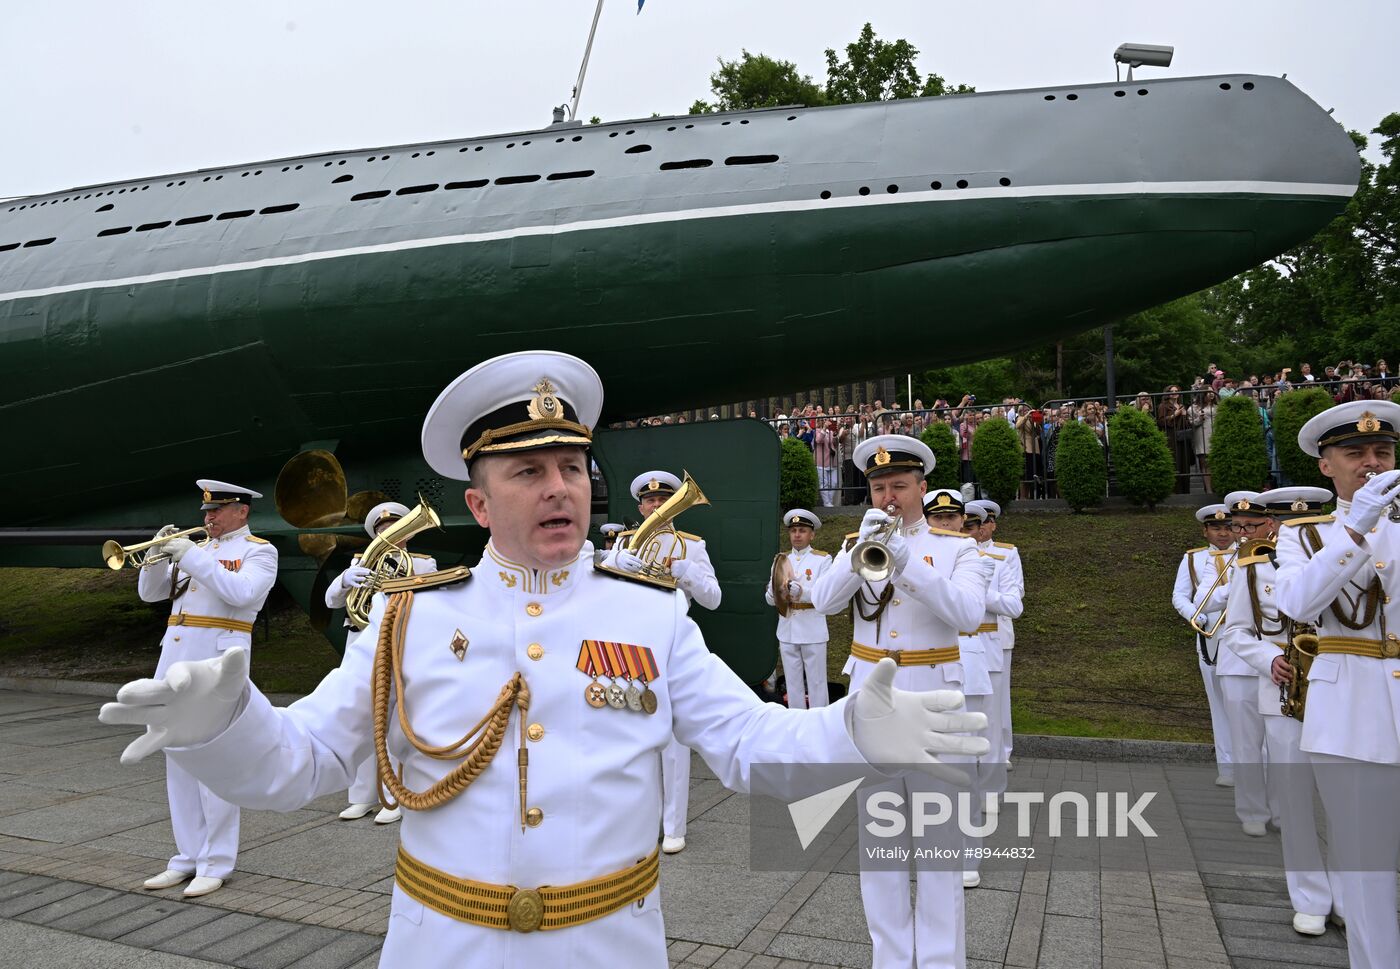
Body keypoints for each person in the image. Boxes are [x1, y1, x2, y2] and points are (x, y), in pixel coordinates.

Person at [99, 351, 988, 969]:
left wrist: (852, 730)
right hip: (440, 943)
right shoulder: (410, 615)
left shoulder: (652, 614)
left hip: (609, 944)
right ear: (479, 503)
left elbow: (751, 746)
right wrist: (224, 724)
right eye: (527, 470)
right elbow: (306, 763)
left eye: (571, 464)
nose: (560, 484)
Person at [812, 440, 994, 969]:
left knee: (939, 845)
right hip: (874, 701)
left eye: (898, 486)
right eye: (878, 487)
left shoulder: (958, 548)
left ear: (921, 488)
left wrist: (907, 562)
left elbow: (965, 613)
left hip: (937, 698)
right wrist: (857, 554)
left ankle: (940, 960)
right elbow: (823, 602)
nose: (888, 497)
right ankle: (890, 959)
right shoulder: (856, 541)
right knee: (880, 844)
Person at [1275, 400, 1400, 969]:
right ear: (1327, 466)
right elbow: (1298, 603)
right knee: (1367, 867)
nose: (1370, 463)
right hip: (1350, 711)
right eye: (1355, 454)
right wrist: (1355, 527)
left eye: (1382, 451)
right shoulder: (1304, 536)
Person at [133, 480, 278, 898]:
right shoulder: (199, 552)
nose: (208, 518)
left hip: (217, 668)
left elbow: (241, 592)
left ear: (242, 512)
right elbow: (151, 595)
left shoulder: (258, 551)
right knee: (176, 761)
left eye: (218, 511)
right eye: (205, 512)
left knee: (215, 764)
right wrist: (155, 559)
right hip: (174, 665)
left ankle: (216, 861)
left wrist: (192, 556)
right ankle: (187, 856)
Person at [1222, 485, 1339, 937]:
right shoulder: (1252, 567)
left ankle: (1349, 897)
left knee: (1344, 800)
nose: (1302, 530)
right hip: (1283, 691)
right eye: (1293, 523)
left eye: (1312, 521)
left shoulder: (1351, 556)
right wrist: (1267, 660)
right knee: (1294, 801)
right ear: (1277, 525)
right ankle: (1309, 897)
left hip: (1339, 687)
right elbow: (1236, 631)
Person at [610, 470, 722, 856]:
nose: (657, 507)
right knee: (633, 737)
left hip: (672, 644)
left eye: (664, 500)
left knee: (674, 742)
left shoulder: (691, 545)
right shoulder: (622, 544)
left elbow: (713, 599)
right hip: (631, 646)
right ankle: (643, 821)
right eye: (650, 501)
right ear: (640, 506)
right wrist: (610, 566)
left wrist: (686, 572)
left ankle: (674, 826)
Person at [326, 501, 437, 825]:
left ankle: (393, 797)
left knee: (392, 719)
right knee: (360, 715)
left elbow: (429, 602)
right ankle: (361, 797)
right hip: (359, 639)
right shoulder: (360, 561)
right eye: (382, 530)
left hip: (399, 641)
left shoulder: (422, 563)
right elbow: (331, 601)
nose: (388, 533)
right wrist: (346, 578)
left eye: (396, 528)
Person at [1200, 493, 1275, 835]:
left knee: (1279, 743)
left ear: (1269, 525)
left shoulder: (1283, 558)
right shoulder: (1227, 562)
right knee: (1246, 741)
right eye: (1237, 526)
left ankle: (1282, 807)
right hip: (1236, 662)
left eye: (1250, 525)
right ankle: (1252, 811)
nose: (1242, 532)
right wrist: (1232, 588)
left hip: (1277, 661)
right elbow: (1205, 602)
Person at [1172, 504, 1237, 787]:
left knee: (1247, 704)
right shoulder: (1193, 559)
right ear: (1205, 531)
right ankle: (1228, 768)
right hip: (1210, 636)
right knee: (1219, 705)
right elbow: (1179, 596)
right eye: (1216, 528)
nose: (1223, 533)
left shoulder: (1250, 555)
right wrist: (1196, 618)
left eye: (1228, 527)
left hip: (1243, 637)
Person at [970, 500, 1023, 769]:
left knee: (997, 699)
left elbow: (1017, 595)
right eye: (975, 523)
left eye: (985, 522)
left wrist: (983, 596)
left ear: (992, 525)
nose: (981, 528)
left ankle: (1001, 753)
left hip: (997, 633)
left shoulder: (1006, 554)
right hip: (964, 635)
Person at [763, 509, 832, 709]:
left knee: (817, 682)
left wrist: (803, 591)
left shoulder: (823, 560)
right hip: (788, 626)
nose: (797, 535)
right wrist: (773, 592)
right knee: (792, 683)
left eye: (802, 530)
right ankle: (796, 720)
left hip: (812, 625)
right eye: (793, 531)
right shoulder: (781, 560)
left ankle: (819, 721)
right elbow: (769, 598)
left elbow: (825, 593)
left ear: (812, 534)